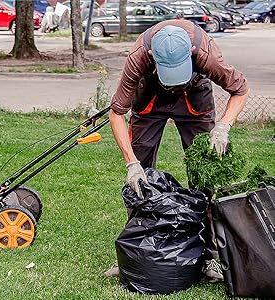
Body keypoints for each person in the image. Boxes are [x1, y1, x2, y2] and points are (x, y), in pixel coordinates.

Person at [106, 19, 249, 282]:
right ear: (152, 57)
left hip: (194, 100)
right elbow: (117, 113)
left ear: (191, 55)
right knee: (141, 180)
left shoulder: (206, 54)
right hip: (149, 99)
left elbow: (240, 90)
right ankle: (138, 254)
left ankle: (210, 256)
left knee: (204, 176)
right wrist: (131, 164)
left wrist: (223, 127)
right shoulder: (139, 56)